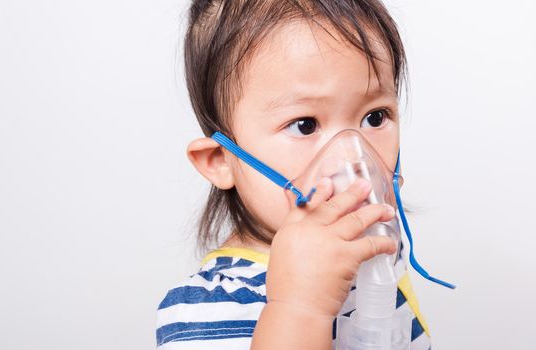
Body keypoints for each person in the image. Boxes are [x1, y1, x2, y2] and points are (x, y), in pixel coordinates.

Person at [156, 0, 432, 348]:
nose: (353, 158)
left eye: (374, 117)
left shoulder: (376, 258)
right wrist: (300, 308)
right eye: (305, 125)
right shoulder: (211, 310)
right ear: (221, 160)